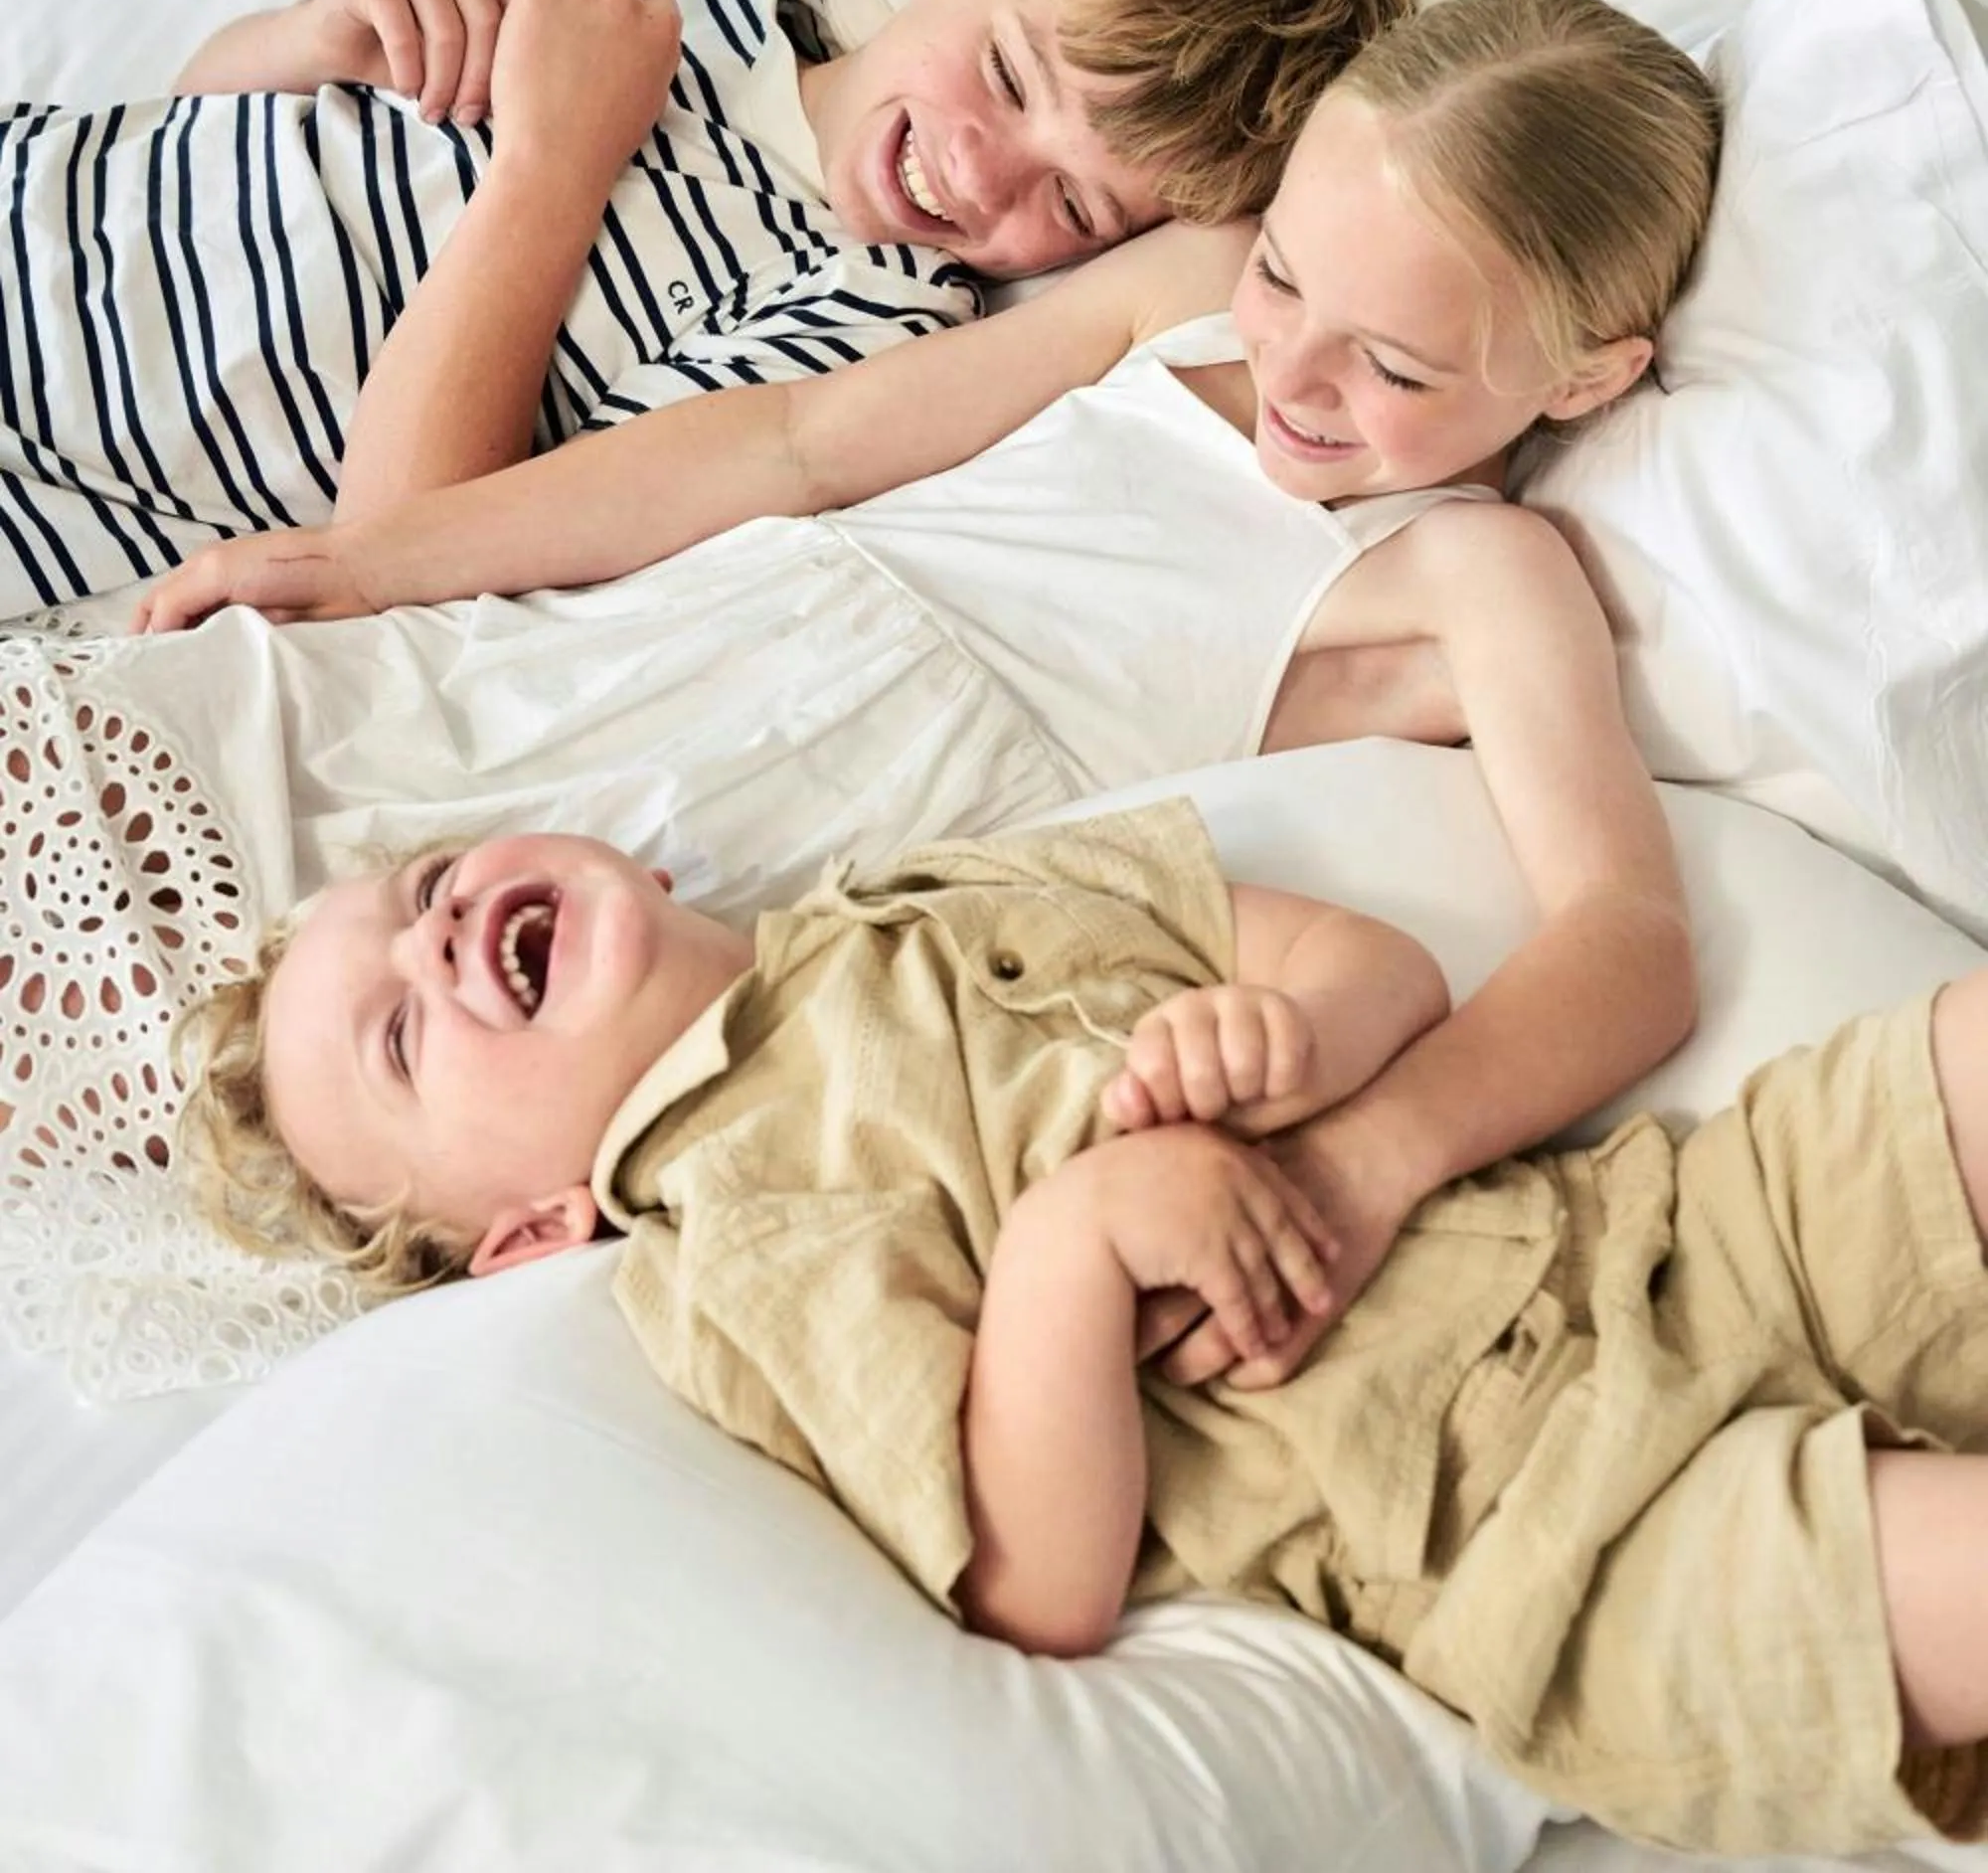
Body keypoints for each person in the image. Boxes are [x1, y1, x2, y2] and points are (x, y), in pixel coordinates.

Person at [116, 0, 1717, 1406]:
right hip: (609, 657)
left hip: (729, 850)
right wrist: (378, 558)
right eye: (1290, 275)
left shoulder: (1472, 580)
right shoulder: (1189, 291)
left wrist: (1370, 1164)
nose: (1293, 372)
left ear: (1587, 377)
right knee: (138, 800)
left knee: (221, 1135)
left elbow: (1629, 944)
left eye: (1396, 369)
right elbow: (796, 447)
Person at [179, 792, 1988, 1859]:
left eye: (420, 892)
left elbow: (1373, 968)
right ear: (527, 1233)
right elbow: (1032, 1586)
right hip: (1530, 1538)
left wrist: (1293, 1036)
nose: (433, 941)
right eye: (400, 1036)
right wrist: (1072, 1244)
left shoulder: (940, 893)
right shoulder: (722, 1254)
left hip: (1657, 1228)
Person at [0, 0, 1406, 616]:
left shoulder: (869, 321)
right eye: (1005, 76)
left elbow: (403, 546)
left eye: (1076, 203)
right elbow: (194, 120)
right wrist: (316, 32)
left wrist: (553, 164)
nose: (986, 177)